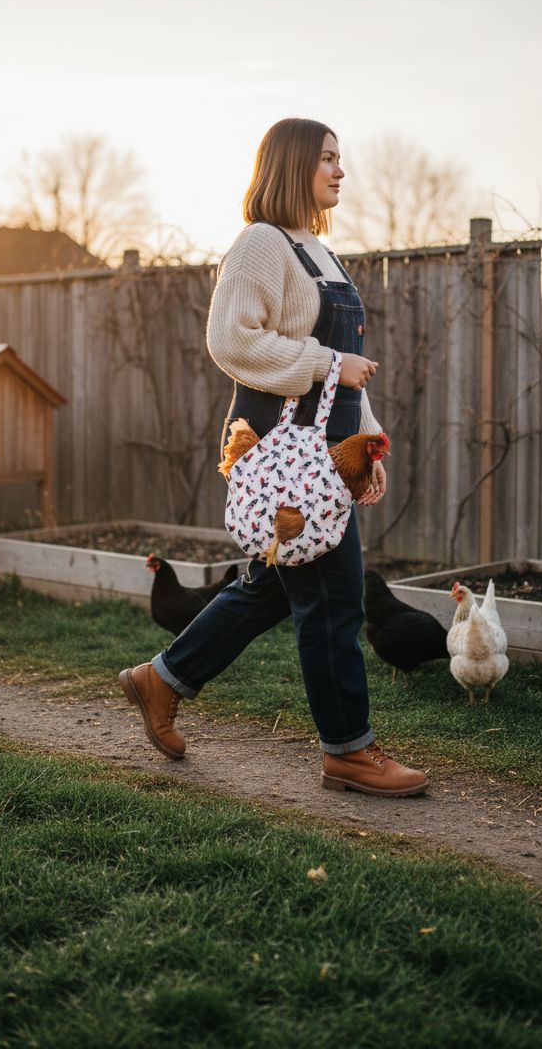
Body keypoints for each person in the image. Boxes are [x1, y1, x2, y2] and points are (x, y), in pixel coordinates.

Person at [119, 118, 428, 797]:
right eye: (327, 159)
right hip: (284, 453)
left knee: (271, 588)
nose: (340, 171)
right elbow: (232, 341)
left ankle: (161, 679)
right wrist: (324, 362)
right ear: (291, 166)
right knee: (334, 600)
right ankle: (348, 751)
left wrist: (366, 445)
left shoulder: (319, 250)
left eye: (340, 159)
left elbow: (348, 375)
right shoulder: (261, 244)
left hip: (326, 452)